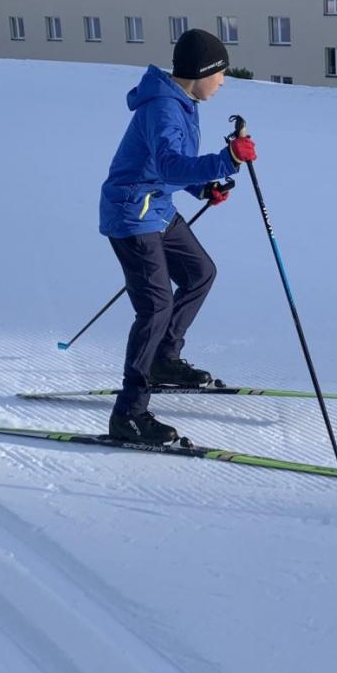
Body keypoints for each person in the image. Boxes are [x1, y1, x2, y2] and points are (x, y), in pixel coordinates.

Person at [98, 29, 257, 445]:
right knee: (155, 307)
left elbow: (174, 166)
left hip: (157, 207)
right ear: (200, 71)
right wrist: (225, 159)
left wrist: (204, 187)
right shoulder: (165, 109)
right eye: (219, 73)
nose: (223, 81)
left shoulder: (183, 103)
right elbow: (170, 166)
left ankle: (165, 360)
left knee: (200, 273)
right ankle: (128, 414)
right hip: (132, 214)